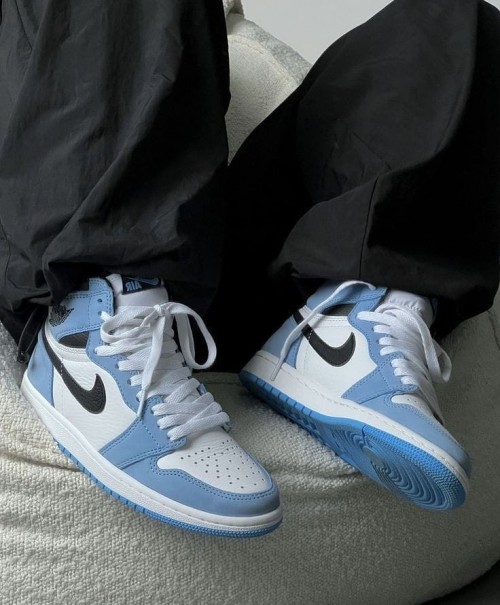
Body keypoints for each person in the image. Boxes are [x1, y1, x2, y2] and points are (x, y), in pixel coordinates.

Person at [0, 0, 498, 537]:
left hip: (206, 265)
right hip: (59, 247)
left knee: (458, 25)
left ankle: (345, 317)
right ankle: (90, 324)